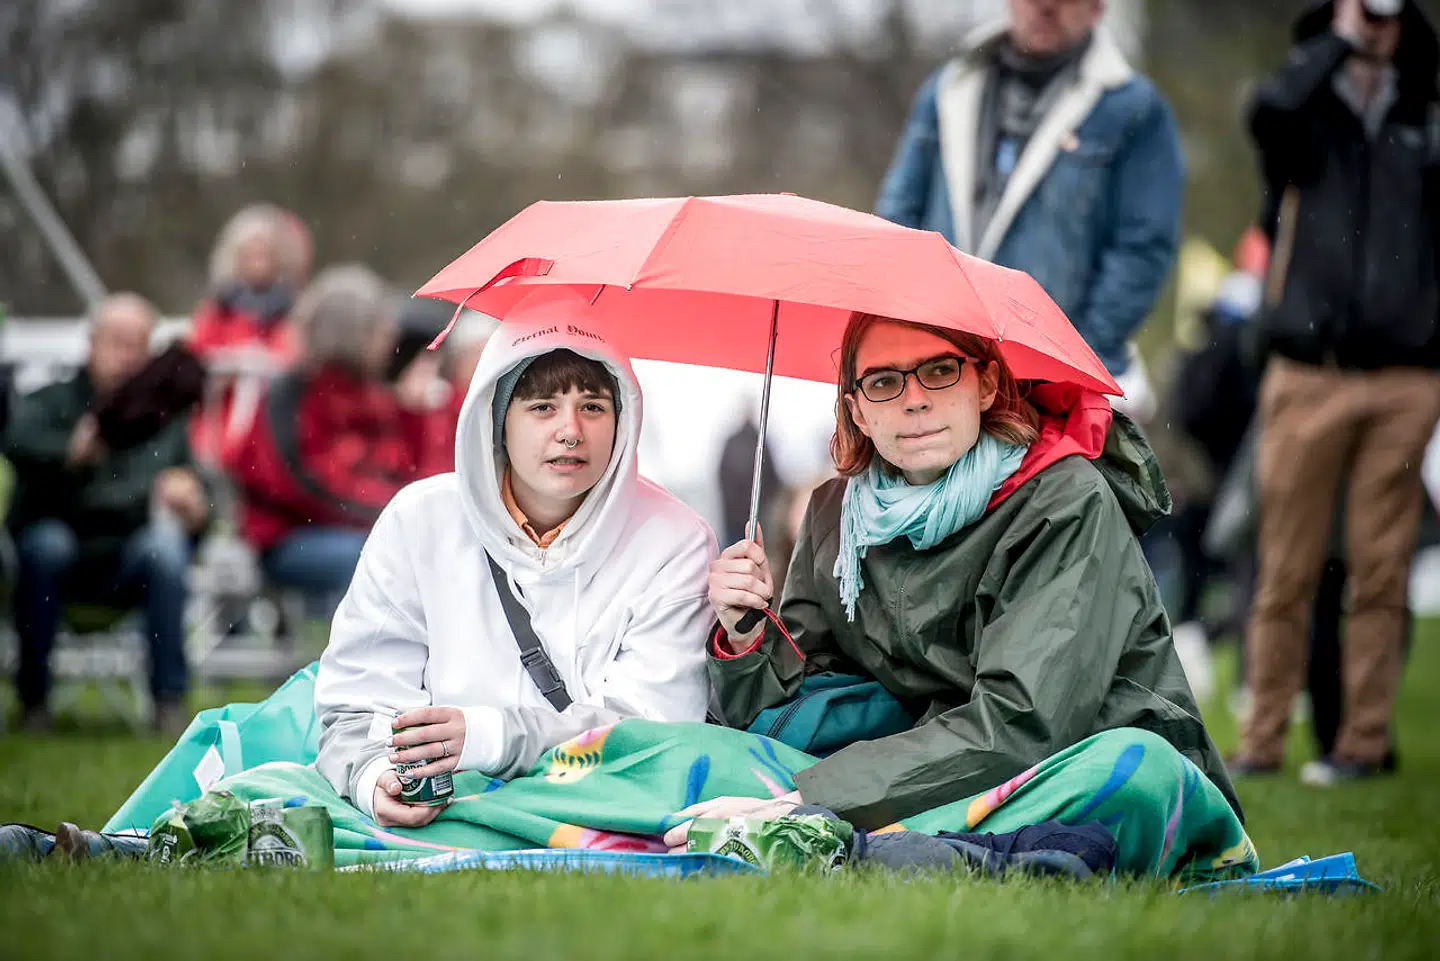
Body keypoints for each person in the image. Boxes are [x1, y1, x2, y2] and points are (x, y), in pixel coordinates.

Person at [666, 311, 1244, 862]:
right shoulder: (832, 514)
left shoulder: (1065, 501)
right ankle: (883, 841)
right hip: (927, 764)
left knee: (1136, 773)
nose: (915, 398)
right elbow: (795, 710)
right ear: (857, 412)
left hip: (1065, 763)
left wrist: (805, 802)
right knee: (689, 753)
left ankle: (839, 841)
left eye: (941, 371)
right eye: (885, 381)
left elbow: (1023, 722)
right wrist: (745, 635)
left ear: (987, 384)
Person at [314, 291, 718, 828]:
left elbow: (654, 728)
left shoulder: (676, 539)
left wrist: (492, 735)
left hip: (609, 802)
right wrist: (373, 778)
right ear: (497, 417)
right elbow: (358, 699)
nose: (570, 430)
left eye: (593, 407)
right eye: (542, 407)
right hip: (442, 803)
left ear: (623, 419)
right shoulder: (420, 520)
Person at [1233, 0, 1440, 784]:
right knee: (1284, 567)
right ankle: (1259, 745)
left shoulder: (1425, 110)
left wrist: (1405, 52)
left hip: (1406, 379)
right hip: (1306, 371)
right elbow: (1269, 110)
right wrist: (1339, 40)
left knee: (1381, 573)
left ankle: (1361, 744)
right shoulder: (1304, 111)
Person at [875, 0, 1183, 399]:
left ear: (1097, 7)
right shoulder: (949, 88)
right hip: (945, 370)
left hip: (1060, 387)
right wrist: (915, 342)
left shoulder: (1133, 109)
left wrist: (1075, 362)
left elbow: (1143, 248)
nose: (1045, 5)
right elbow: (897, 221)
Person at [3, 293, 210, 734]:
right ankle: (33, 701)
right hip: (58, 554)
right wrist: (69, 453)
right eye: (116, 341)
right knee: (46, 545)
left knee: (166, 550)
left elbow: (201, 498)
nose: (125, 355)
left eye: (137, 344)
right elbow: (15, 443)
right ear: (91, 343)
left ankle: (168, 704)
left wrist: (194, 505)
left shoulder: (164, 417)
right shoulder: (50, 401)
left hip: (127, 558)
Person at [223, 265, 452, 616]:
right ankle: (360, 664)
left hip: (357, 527)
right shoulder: (291, 394)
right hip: (289, 538)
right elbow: (305, 487)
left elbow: (414, 474)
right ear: (352, 332)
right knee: (374, 559)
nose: (391, 338)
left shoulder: (372, 393)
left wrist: (417, 414)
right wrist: (387, 516)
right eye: (379, 328)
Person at [187, 205, 312, 466]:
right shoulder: (217, 310)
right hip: (219, 429)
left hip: (271, 426)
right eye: (250, 254)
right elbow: (196, 357)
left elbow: (296, 358)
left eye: (265, 254)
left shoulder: (293, 311)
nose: (258, 263)